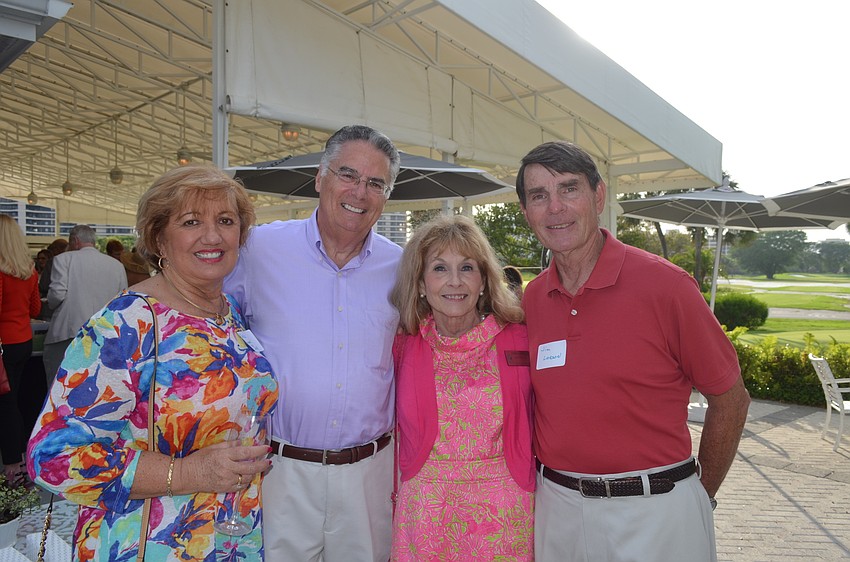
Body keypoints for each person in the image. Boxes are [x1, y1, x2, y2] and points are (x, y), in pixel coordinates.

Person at [28, 164, 278, 561]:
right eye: (191, 221)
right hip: (149, 541)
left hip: (228, 536)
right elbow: (53, 457)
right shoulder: (127, 323)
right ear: (159, 238)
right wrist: (189, 473)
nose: (212, 236)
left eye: (226, 221)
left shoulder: (226, 312)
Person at [515, 140, 751, 562]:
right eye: (539, 196)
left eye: (569, 189)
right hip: (559, 512)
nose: (555, 207)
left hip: (657, 511)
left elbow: (731, 399)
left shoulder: (666, 286)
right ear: (526, 211)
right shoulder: (532, 299)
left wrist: (700, 495)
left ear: (599, 196)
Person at [224, 124, 401, 561]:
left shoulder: (403, 267)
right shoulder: (259, 249)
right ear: (320, 177)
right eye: (348, 175)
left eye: (375, 183)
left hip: (369, 475)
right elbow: (204, 318)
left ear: (386, 194)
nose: (359, 192)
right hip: (280, 471)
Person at [390, 215, 535, 560]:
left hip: (503, 514)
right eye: (440, 268)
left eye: (467, 268)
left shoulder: (519, 338)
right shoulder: (404, 345)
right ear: (421, 283)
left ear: (484, 281)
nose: (455, 282)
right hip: (425, 512)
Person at [42, 225, 127, 384]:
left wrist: (50, 305)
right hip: (105, 332)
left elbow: (57, 294)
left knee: (60, 384)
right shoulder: (116, 265)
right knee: (96, 385)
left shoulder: (63, 259)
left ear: (75, 241)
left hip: (68, 332)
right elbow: (121, 302)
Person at [0, 214, 41, 487]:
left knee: (6, 405)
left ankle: (13, 463)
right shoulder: (28, 271)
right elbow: (35, 310)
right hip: (22, 340)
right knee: (13, 402)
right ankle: (19, 459)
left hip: (3, 344)